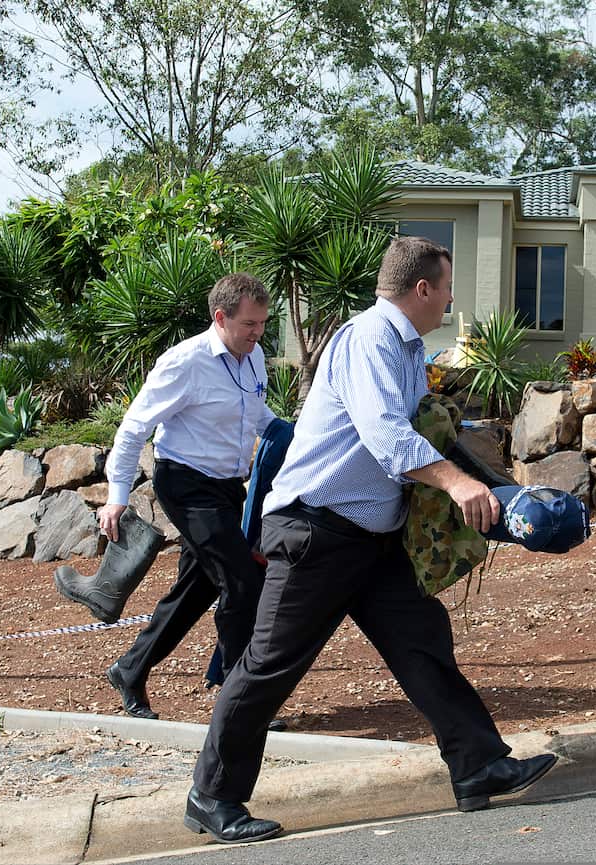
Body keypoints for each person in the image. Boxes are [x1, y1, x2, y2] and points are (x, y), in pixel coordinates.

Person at [183, 237, 557, 844]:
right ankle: (212, 795)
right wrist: (459, 487)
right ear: (423, 289)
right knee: (269, 665)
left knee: (422, 640)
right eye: (448, 286)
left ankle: (478, 764)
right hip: (316, 530)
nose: (453, 299)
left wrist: (503, 492)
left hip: (370, 537)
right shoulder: (369, 339)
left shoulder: (408, 348)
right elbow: (386, 436)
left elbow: (427, 434)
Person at [99, 272, 276, 722]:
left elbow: (259, 416)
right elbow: (134, 427)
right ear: (221, 318)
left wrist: (288, 434)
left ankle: (130, 668)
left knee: (195, 591)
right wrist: (116, 495)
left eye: (262, 323)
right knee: (242, 582)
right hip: (186, 485)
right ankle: (241, 701)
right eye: (249, 324)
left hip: (226, 489)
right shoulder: (185, 361)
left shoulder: (253, 358)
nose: (258, 333)